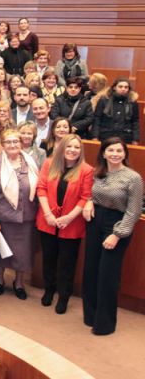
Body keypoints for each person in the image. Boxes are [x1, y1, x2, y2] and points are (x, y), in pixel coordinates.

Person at [83, 138, 144, 335]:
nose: (115, 154)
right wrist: (90, 201)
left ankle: (104, 324)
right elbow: (93, 193)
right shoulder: (98, 172)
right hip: (95, 221)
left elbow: (133, 211)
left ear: (125, 154)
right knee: (91, 270)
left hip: (116, 225)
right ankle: (90, 316)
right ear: (103, 153)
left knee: (107, 275)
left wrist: (117, 235)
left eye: (119, 150)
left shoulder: (133, 178)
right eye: (111, 150)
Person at [35, 134, 93, 314]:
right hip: (48, 220)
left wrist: (68, 217)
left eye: (76, 147)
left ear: (80, 150)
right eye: (69, 147)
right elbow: (41, 188)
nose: (72, 150)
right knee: (49, 260)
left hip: (72, 224)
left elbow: (85, 197)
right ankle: (49, 290)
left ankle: (64, 296)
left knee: (67, 263)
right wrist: (47, 214)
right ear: (62, 148)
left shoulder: (86, 170)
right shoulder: (49, 163)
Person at [0, 129, 39, 300]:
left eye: (16, 141)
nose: (13, 145)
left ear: (21, 143)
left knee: (23, 253)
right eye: (9, 142)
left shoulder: (31, 162)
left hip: (27, 216)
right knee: (2, 253)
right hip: (3, 217)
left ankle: (19, 282)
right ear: (3, 145)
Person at [92, 78, 138, 144]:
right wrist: (95, 136)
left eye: (126, 87)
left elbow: (135, 121)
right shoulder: (104, 100)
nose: (123, 89)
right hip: (105, 134)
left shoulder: (132, 101)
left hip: (125, 136)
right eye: (120, 86)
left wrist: (135, 139)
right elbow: (97, 118)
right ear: (114, 87)